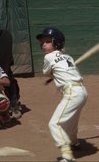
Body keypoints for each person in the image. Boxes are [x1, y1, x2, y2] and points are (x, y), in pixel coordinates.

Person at [35, 27, 88, 162]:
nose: (43, 44)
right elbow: (69, 72)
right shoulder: (68, 57)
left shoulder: (48, 57)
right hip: (82, 91)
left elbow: (47, 72)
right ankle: (74, 142)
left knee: (55, 124)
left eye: (47, 41)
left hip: (72, 93)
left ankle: (67, 155)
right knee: (72, 119)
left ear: (56, 43)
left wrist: (53, 73)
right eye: (42, 42)